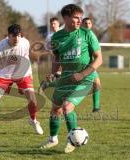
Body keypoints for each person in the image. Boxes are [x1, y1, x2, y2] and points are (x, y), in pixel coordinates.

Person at [40, 4, 102, 153]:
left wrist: (82, 74)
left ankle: (72, 140)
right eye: (76, 17)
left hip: (85, 78)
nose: (79, 20)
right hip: (65, 79)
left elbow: (99, 59)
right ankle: (53, 139)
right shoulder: (57, 37)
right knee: (55, 110)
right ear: (66, 18)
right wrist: (53, 74)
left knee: (67, 107)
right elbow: (57, 59)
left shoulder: (87, 34)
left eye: (81, 17)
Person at [0, 24, 43, 136]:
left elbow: (26, 59)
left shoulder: (25, 43)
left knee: (33, 99)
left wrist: (29, 77)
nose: (16, 39)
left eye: (18, 35)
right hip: (5, 75)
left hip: (23, 73)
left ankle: (33, 120)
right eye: (14, 36)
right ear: (8, 36)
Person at [81, 17, 101, 112]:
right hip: (84, 65)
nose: (87, 25)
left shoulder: (91, 35)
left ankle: (96, 107)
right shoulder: (82, 35)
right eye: (85, 23)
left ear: (91, 25)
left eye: (89, 23)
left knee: (97, 83)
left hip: (91, 64)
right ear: (82, 24)